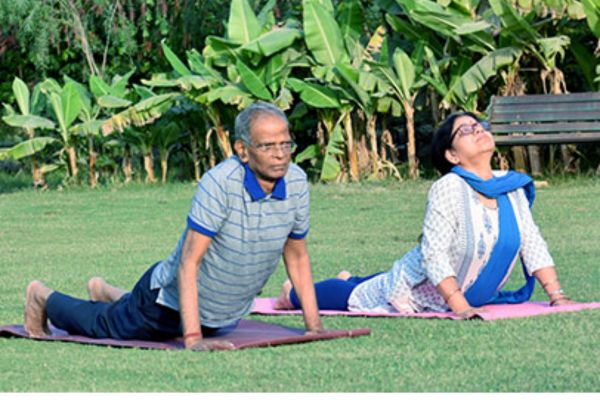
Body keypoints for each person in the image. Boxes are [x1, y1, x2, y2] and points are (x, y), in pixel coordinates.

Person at [24, 102, 325, 350]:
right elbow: (188, 263)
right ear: (242, 150)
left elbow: (297, 256)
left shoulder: (296, 182)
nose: (280, 154)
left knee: (136, 313)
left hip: (219, 314)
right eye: (267, 145)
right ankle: (43, 297)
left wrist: (314, 328)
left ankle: (108, 291)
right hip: (168, 303)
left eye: (286, 143)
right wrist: (192, 339)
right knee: (107, 325)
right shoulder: (219, 184)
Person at [275, 112, 575, 318]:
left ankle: (349, 277)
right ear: (452, 155)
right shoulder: (449, 188)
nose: (479, 130)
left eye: (479, 125)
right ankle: (293, 293)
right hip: (418, 292)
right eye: (466, 130)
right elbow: (434, 255)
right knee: (357, 297)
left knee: (367, 283)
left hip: (464, 290)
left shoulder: (511, 185)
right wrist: (460, 306)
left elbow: (531, 242)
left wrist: (556, 294)